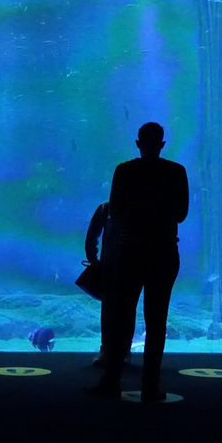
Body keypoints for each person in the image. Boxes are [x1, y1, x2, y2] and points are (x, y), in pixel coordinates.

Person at [88, 122, 188, 403]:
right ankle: (150, 386)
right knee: (156, 322)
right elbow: (181, 213)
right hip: (164, 252)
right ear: (162, 144)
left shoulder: (125, 171)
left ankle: (111, 381)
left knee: (122, 318)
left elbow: (116, 211)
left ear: (138, 143)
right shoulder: (176, 172)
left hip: (129, 252)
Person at [84, 201, 126, 367]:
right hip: (110, 264)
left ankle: (120, 349)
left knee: (122, 309)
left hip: (129, 263)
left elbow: (92, 234)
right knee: (110, 308)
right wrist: (93, 257)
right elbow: (92, 233)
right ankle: (108, 349)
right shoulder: (106, 208)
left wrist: (92, 256)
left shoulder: (107, 208)